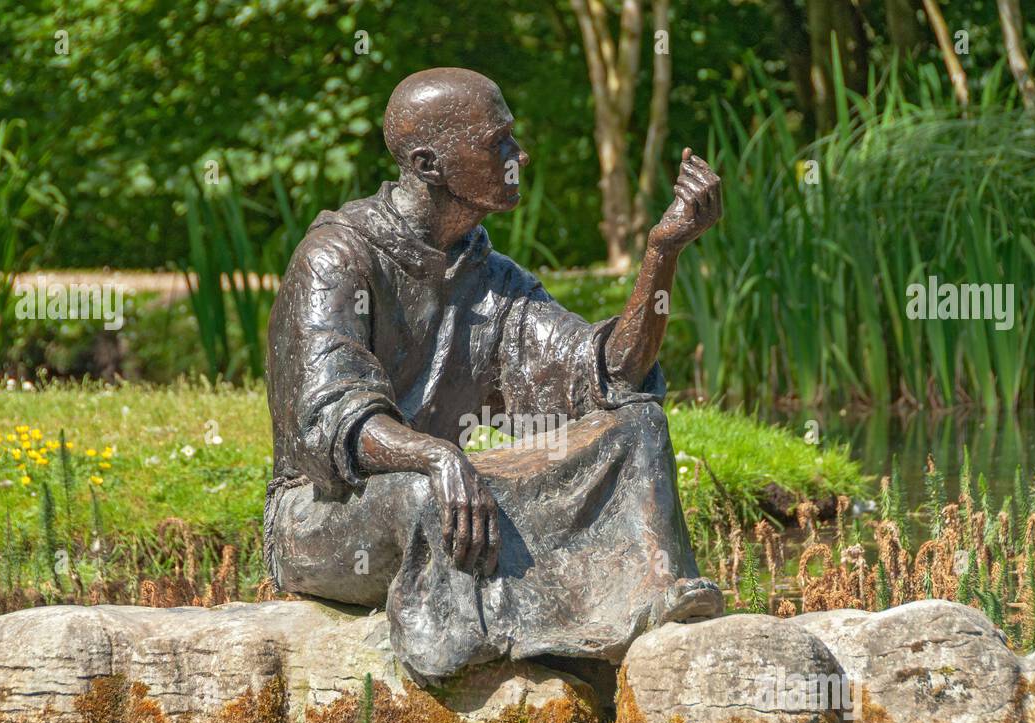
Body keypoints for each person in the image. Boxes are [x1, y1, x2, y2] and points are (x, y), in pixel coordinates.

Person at [265, 67, 723, 681]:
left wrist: (663, 252)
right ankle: (481, 641)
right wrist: (435, 457)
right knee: (424, 493)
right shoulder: (336, 257)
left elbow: (604, 374)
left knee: (637, 423)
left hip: (444, 488)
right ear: (430, 165)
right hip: (323, 513)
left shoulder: (490, 275)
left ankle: (649, 596)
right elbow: (332, 421)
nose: (519, 155)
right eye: (497, 142)